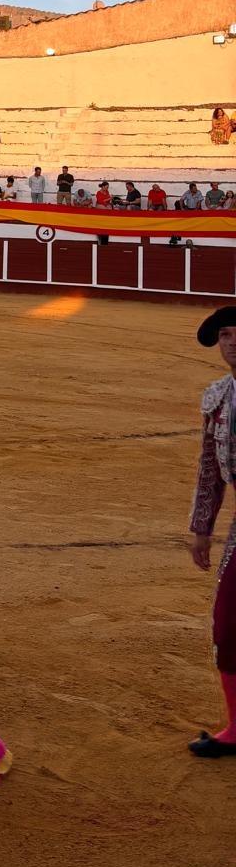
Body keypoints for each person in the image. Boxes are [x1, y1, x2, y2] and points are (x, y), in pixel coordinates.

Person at [187, 307, 236, 757]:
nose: (233, 342)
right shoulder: (218, 395)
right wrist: (201, 528)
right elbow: (210, 470)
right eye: (225, 335)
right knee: (229, 624)